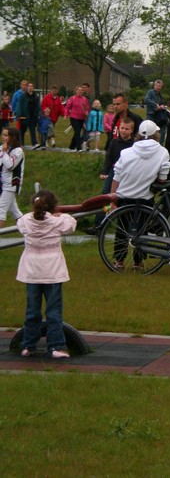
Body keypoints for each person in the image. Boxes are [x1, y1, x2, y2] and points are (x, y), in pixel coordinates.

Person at [16, 189, 77, 359]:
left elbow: (21, 222)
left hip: (32, 273)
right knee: (54, 312)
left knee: (32, 311)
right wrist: (60, 214)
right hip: (53, 273)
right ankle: (55, 346)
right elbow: (72, 224)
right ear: (53, 206)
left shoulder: (25, 221)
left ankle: (28, 345)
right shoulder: (57, 222)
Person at [110, 120, 170, 270]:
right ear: (156, 134)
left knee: (122, 229)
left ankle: (119, 260)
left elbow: (116, 177)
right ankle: (138, 262)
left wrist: (112, 198)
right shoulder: (162, 152)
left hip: (124, 195)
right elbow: (163, 178)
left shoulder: (126, 152)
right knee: (143, 230)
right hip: (145, 197)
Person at [0, 126, 25, 228]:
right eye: (3, 135)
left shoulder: (18, 151)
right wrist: (3, 151)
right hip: (3, 184)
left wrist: (4, 152)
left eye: (6, 135)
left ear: (13, 137)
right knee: (15, 212)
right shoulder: (3, 148)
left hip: (11, 185)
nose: (3, 137)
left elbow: (10, 165)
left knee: (0, 210)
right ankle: (30, 230)